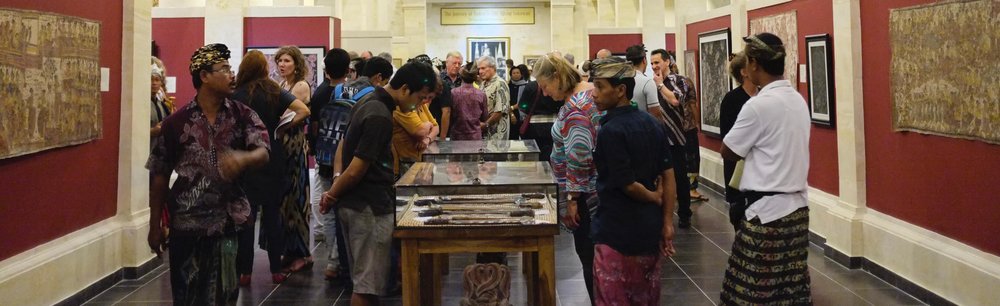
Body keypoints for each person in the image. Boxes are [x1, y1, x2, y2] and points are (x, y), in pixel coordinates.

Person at [147, 43, 270, 305]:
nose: (231, 74)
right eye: (224, 69)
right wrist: (154, 224)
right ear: (204, 76)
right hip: (186, 224)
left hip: (228, 222)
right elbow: (159, 175)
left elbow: (263, 152)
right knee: (186, 295)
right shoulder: (175, 123)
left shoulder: (242, 115)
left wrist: (245, 157)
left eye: (230, 68)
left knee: (225, 294)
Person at [320, 62, 438, 306]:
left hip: (359, 204)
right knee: (366, 286)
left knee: (367, 284)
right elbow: (357, 168)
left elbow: (343, 145)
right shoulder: (380, 115)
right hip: (368, 207)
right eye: (419, 98)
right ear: (405, 89)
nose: (419, 105)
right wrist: (331, 194)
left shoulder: (369, 100)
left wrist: (335, 184)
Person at [719, 33, 812, 305]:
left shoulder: (758, 106)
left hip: (767, 215)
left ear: (755, 64)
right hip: (797, 210)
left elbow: (729, 151)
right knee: (790, 291)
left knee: (750, 293)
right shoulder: (797, 100)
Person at [589, 57, 676, 306]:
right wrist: (667, 220)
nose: (594, 94)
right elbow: (668, 174)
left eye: (600, 87)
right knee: (645, 297)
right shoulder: (651, 123)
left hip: (617, 229)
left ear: (620, 90)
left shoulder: (611, 131)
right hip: (649, 228)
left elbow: (627, 184)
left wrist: (654, 197)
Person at [232, 50, 310, 285]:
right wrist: (280, 129)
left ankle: (244, 272)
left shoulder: (237, 94)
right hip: (271, 157)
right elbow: (304, 110)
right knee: (273, 216)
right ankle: (276, 269)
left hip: (246, 158)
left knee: (247, 218)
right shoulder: (274, 90)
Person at [532, 53, 600, 304]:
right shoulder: (586, 94)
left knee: (589, 256)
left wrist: (572, 198)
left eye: (545, 86)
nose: (546, 93)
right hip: (592, 191)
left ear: (557, 77)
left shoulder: (577, 106)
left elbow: (579, 156)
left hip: (585, 197)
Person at [307, 48, 353, 281]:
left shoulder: (320, 94)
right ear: (348, 70)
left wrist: (315, 148)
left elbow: (314, 127)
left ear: (325, 68)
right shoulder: (352, 93)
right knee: (343, 209)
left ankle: (332, 263)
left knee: (326, 209)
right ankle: (340, 260)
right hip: (346, 159)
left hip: (324, 157)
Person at [273, 45, 314, 272]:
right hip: (283, 146)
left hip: (294, 145)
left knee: (296, 199)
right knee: (285, 201)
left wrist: (280, 125)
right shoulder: (281, 85)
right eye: (279, 61)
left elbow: (287, 115)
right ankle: (290, 251)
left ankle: (302, 253)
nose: (282, 64)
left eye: (287, 61)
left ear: (296, 64)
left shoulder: (300, 86)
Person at [650, 48, 693, 229]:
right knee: (657, 177)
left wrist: (660, 84)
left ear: (667, 62)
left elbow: (676, 100)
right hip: (657, 138)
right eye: (651, 63)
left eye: (657, 62)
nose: (654, 66)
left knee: (679, 177)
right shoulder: (650, 82)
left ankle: (684, 213)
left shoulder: (678, 80)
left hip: (675, 137)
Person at [720, 52, 756, 229]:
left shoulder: (763, 97)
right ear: (744, 72)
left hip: (761, 169)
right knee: (740, 214)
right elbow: (726, 137)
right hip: (738, 166)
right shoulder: (732, 99)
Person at [624, 44, 669, 121]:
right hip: (642, 128)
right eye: (652, 63)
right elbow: (656, 114)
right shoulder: (647, 82)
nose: (654, 66)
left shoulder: (620, 80)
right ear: (644, 60)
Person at [449, 62, 488, 141]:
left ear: (461, 76)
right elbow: (485, 117)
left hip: (457, 136)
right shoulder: (481, 94)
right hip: (475, 136)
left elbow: (450, 115)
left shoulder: (453, 93)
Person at [478, 56, 511, 141]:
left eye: (483, 68)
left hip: (497, 134)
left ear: (493, 68)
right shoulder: (482, 84)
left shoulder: (500, 84)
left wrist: (485, 125)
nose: (480, 71)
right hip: (483, 132)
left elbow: (499, 111)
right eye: (479, 69)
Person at [507, 64, 530, 139]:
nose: (516, 75)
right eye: (514, 73)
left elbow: (526, 103)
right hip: (509, 114)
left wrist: (515, 107)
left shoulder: (527, 86)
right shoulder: (507, 86)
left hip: (522, 115)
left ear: (521, 74)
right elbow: (505, 102)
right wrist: (511, 113)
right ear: (510, 75)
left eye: (518, 73)